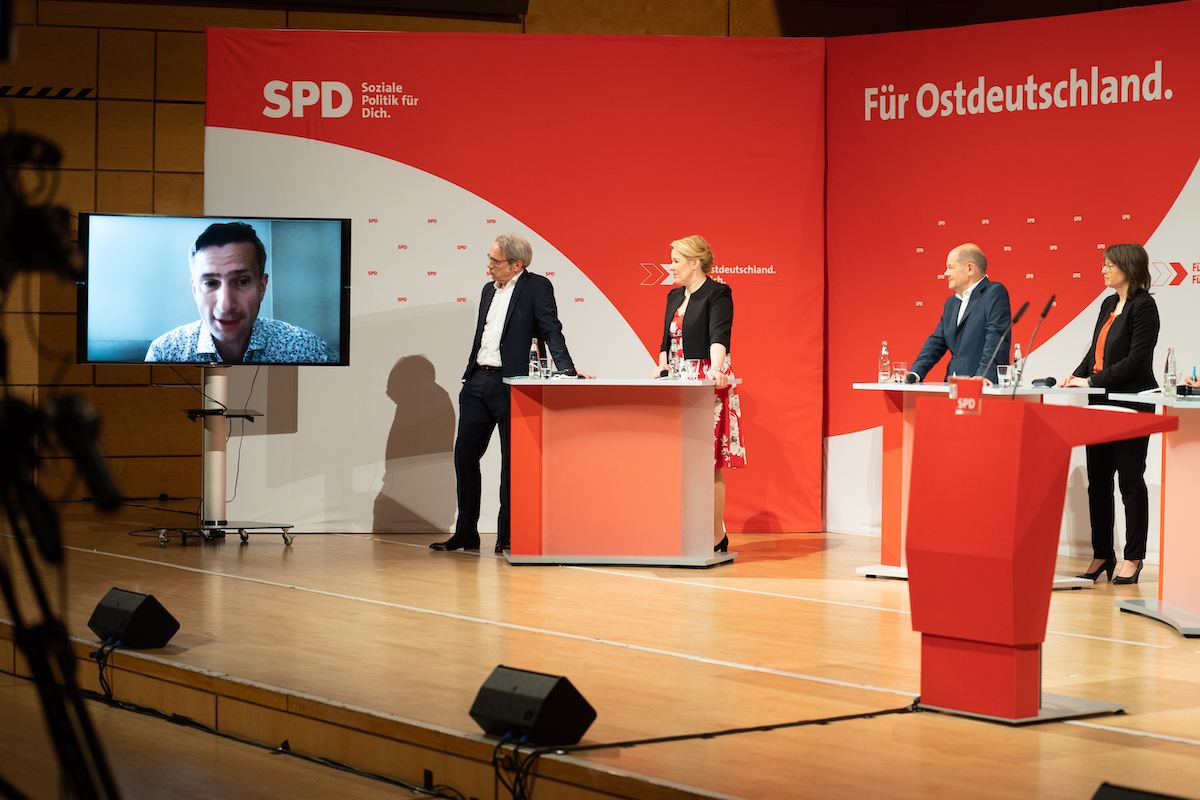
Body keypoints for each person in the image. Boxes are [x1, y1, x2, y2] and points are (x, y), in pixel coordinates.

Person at [431, 232, 594, 554]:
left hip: (511, 384)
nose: (488, 266)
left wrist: (565, 369)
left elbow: (550, 329)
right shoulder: (486, 290)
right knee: (465, 456)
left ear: (516, 264)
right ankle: (466, 533)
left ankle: (507, 536)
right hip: (477, 382)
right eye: (489, 259)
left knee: (511, 462)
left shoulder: (536, 287)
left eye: (495, 261)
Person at [1062, 243, 1160, 585]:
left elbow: (1136, 360)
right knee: (1098, 483)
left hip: (1131, 403)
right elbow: (1095, 351)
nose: (1103, 270)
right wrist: (1073, 377)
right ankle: (1102, 554)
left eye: (1109, 265)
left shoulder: (1144, 306)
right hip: (1100, 402)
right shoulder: (1107, 304)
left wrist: (1091, 380)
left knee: (1130, 482)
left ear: (1128, 267)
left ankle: (1133, 557)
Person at [655, 235, 746, 552]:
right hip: (678, 381)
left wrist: (717, 370)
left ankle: (715, 536)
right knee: (683, 460)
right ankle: (686, 531)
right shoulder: (672, 296)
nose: (672, 267)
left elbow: (719, 335)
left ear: (695, 262)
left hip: (707, 381)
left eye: (677, 261)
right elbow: (666, 343)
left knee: (706, 462)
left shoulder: (717, 293)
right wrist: (663, 366)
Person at [146, 222, 335, 363]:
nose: (226, 305)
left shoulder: (310, 351)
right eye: (211, 283)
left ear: (262, 287)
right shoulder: (164, 353)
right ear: (195, 290)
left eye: (242, 281)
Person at [910, 243, 1011, 385]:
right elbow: (937, 341)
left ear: (970, 269)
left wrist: (984, 375)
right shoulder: (951, 302)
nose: (946, 273)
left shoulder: (993, 292)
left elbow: (996, 337)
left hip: (982, 386)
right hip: (952, 386)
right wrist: (914, 373)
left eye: (950, 267)